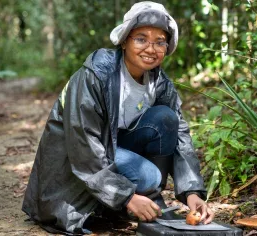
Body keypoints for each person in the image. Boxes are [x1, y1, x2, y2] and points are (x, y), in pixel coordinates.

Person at [22, 1, 214, 234]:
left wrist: (192, 192)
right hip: (74, 161)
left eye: (159, 42)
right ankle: (137, 198)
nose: (151, 49)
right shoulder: (95, 75)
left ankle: (148, 201)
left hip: (112, 150)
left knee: (166, 118)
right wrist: (126, 196)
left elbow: (181, 136)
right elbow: (84, 148)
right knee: (149, 176)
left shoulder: (160, 83)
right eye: (141, 39)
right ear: (124, 41)